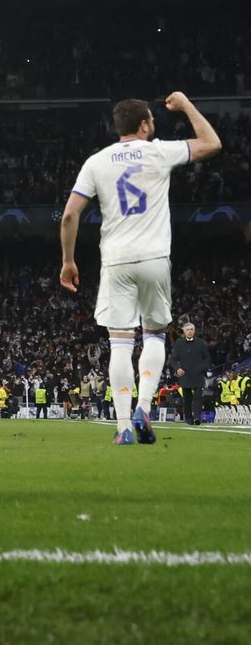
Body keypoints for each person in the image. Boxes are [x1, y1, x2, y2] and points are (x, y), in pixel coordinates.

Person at [59, 93, 222, 445]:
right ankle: (143, 408)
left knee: (119, 343)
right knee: (155, 335)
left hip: (116, 261)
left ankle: (122, 428)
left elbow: (70, 214)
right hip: (154, 258)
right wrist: (186, 105)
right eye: (152, 119)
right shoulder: (158, 152)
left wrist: (68, 260)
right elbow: (212, 143)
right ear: (145, 125)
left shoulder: (96, 162)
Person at [169, 322, 212, 425]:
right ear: (184, 331)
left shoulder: (201, 343)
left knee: (198, 397)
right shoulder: (179, 343)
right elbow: (173, 359)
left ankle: (197, 417)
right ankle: (188, 418)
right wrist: (177, 368)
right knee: (187, 398)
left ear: (194, 331)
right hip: (185, 374)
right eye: (187, 329)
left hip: (198, 374)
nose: (189, 331)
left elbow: (207, 358)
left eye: (191, 329)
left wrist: (202, 368)